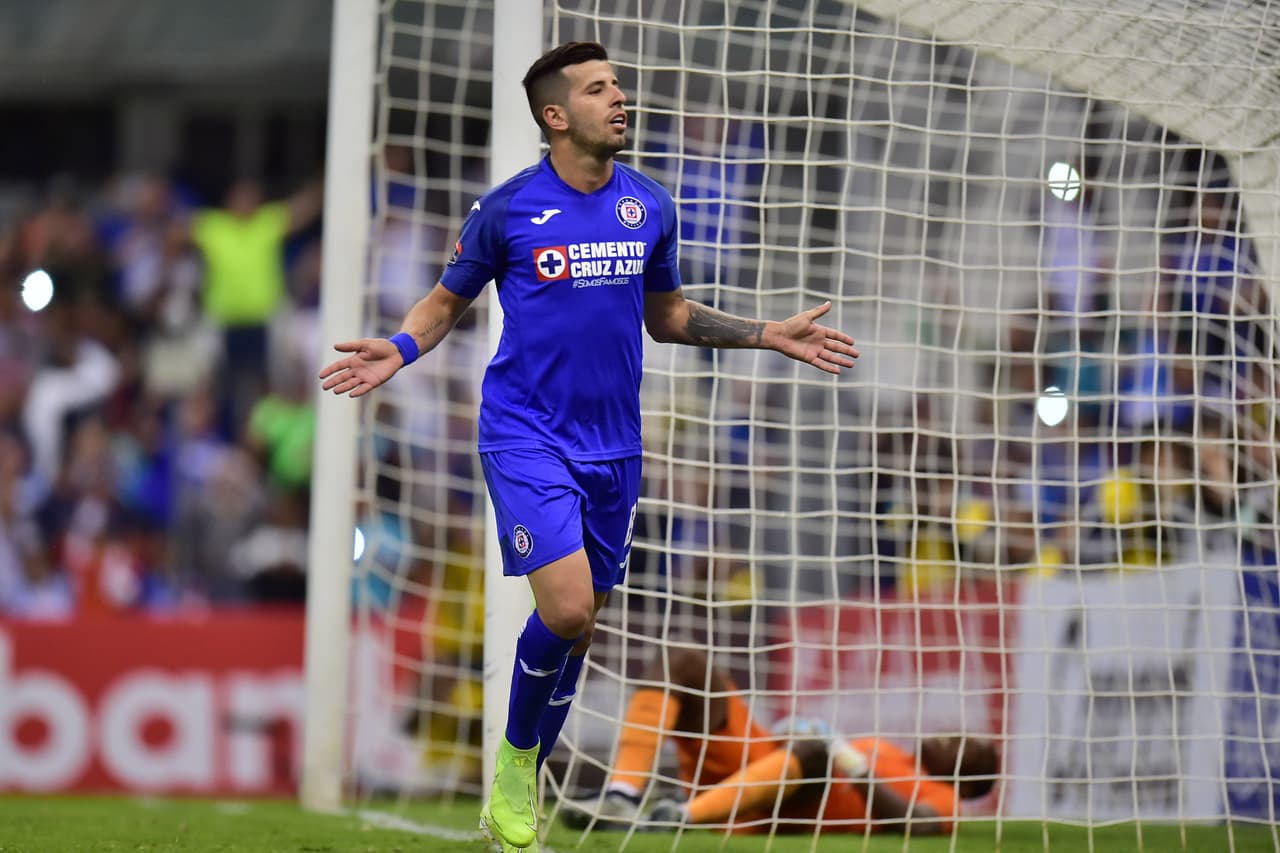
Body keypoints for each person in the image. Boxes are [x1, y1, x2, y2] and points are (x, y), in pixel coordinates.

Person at [319, 41, 858, 853]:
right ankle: (517, 759)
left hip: (616, 449)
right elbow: (444, 300)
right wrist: (400, 348)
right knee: (566, 608)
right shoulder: (507, 209)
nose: (620, 98)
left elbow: (667, 315)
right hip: (525, 433)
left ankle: (523, 770)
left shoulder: (650, 205)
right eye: (600, 89)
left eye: (619, 86)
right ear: (556, 115)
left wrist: (764, 333)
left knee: (581, 625)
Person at [559, 648, 998, 837]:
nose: (950, 735)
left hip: (768, 807)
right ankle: (623, 794)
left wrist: (852, 768)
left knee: (814, 754)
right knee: (688, 665)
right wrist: (797, 734)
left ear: (968, 778)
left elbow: (915, 825)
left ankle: (677, 816)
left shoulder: (944, 800)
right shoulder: (892, 749)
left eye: (963, 745)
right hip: (761, 761)